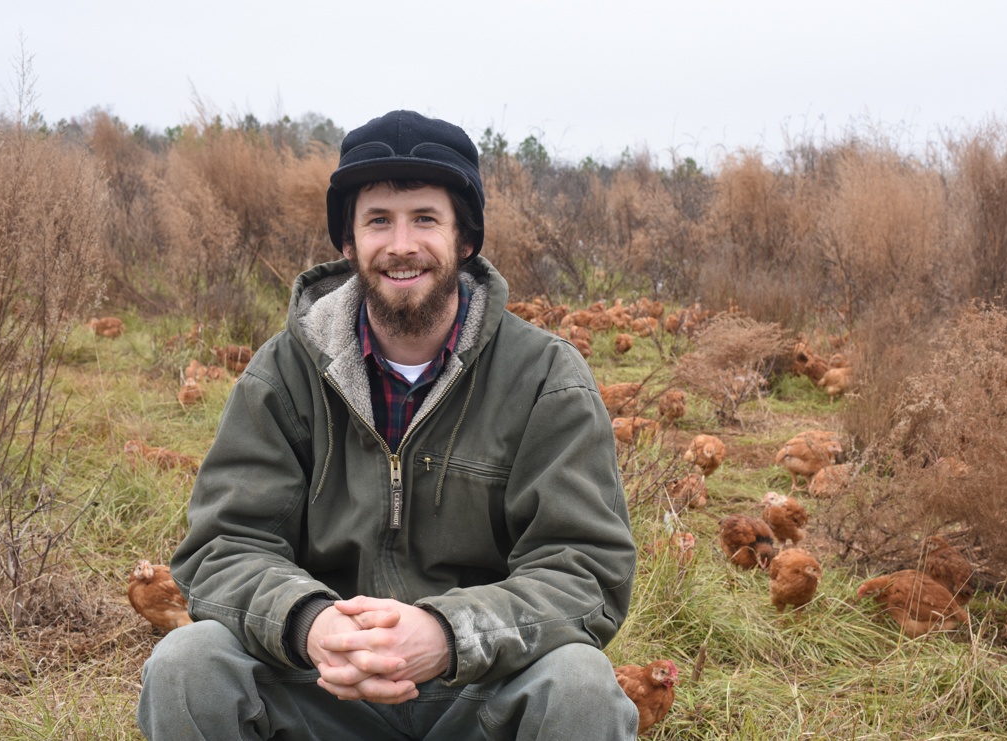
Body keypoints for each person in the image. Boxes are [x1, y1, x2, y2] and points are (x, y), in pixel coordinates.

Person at [137, 109, 640, 740]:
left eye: (425, 218)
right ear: (348, 242)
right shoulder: (284, 374)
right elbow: (225, 544)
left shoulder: (545, 378)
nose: (401, 245)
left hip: (480, 690)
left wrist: (447, 634)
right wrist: (311, 624)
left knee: (580, 686)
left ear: (466, 239)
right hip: (323, 688)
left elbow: (584, 565)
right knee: (189, 665)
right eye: (378, 220)